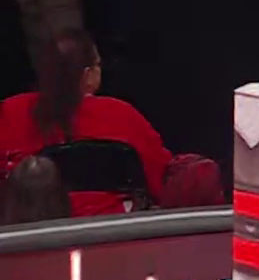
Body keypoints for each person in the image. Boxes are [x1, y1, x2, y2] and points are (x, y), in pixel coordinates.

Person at [0, 29, 170, 216]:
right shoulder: (121, 114)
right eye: (99, 64)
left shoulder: (9, 112)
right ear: (87, 74)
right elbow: (162, 180)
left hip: (36, 230)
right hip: (114, 227)